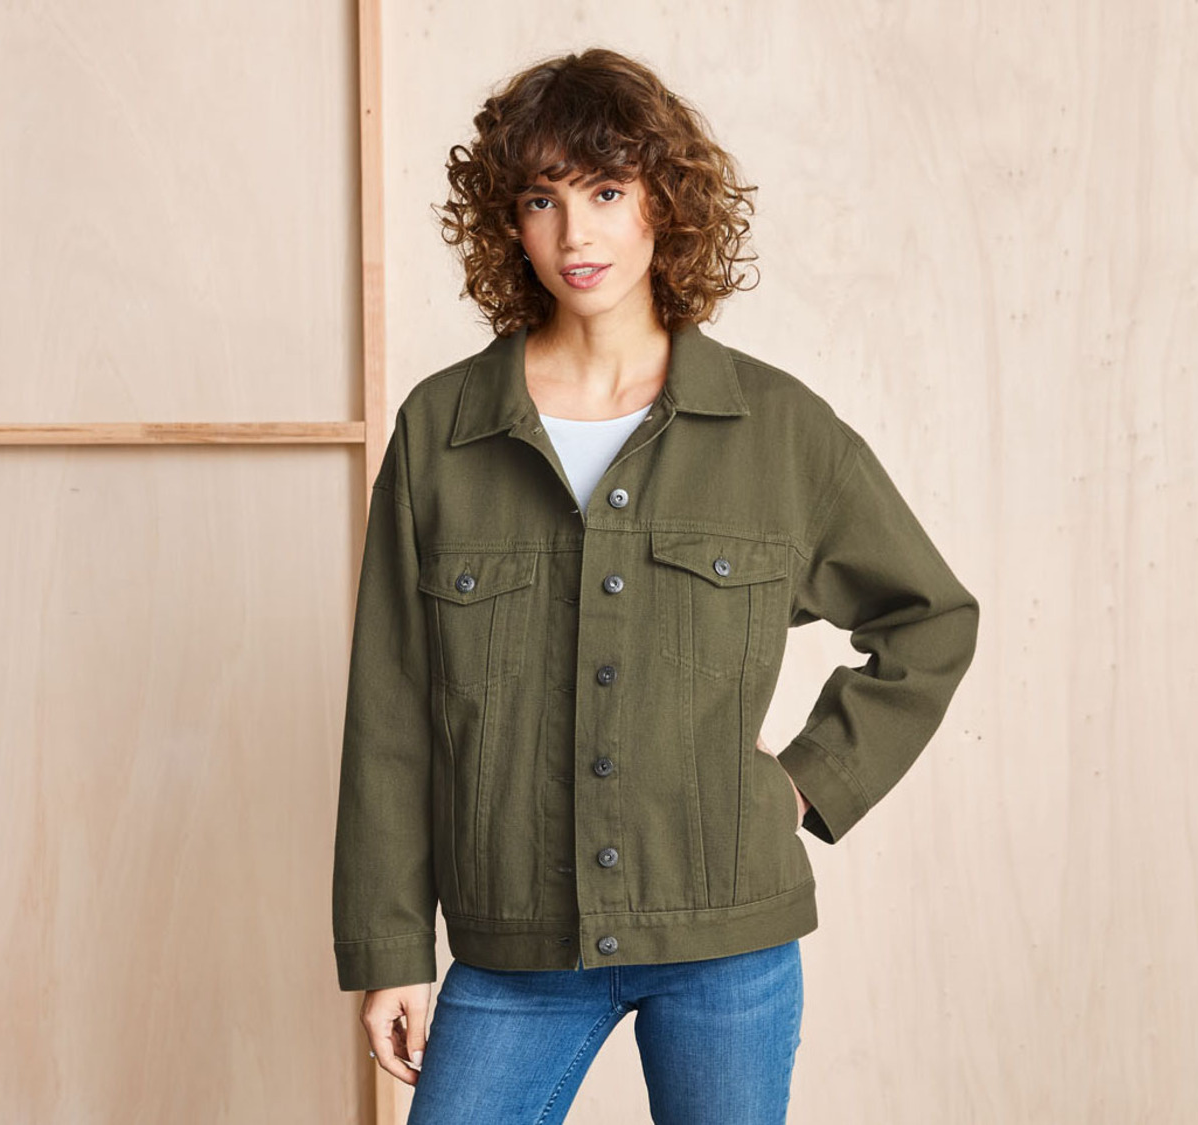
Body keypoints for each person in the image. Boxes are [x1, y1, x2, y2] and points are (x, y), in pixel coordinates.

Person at [331, 47, 980, 1124]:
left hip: (727, 938)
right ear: (508, 221)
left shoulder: (777, 430)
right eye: (542, 199)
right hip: (517, 940)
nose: (575, 236)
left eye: (605, 192)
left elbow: (930, 619)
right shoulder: (442, 430)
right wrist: (389, 948)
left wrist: (805, 782)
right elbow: (390, 709)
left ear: (664, 205)